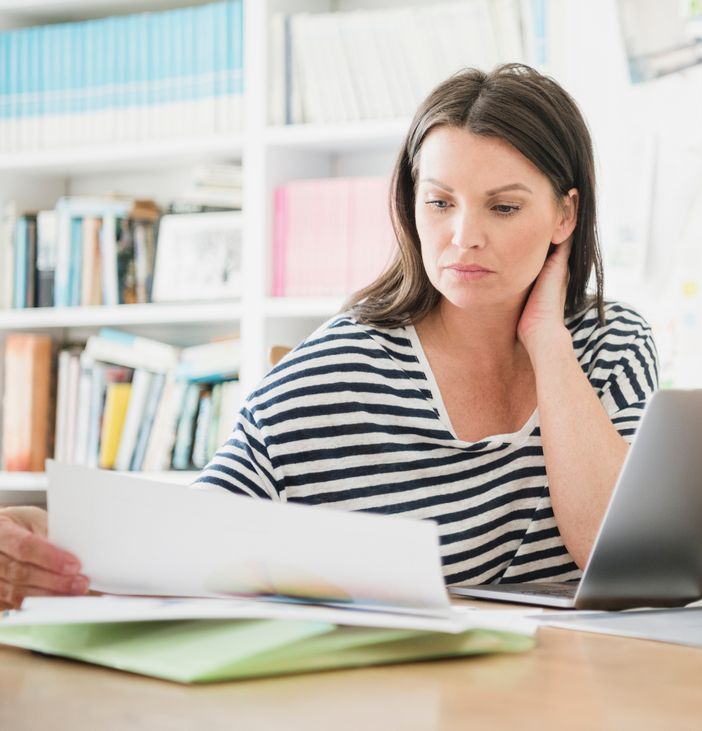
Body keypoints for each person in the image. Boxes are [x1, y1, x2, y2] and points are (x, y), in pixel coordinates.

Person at [0, 63, 658, 610]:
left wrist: (547, 338)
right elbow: (184, 540)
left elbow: (618, 555)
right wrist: (36, 534)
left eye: (503, 206)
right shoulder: (331, 374)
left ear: (565, 214)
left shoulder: (612, 343)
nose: (464, 236)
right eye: (440, 201)